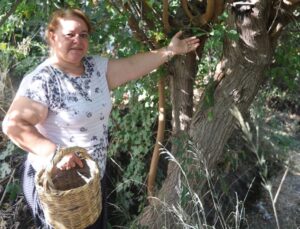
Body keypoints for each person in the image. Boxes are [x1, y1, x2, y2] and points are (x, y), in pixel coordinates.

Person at [2, 8, 199, 229]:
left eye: (83, 34)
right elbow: (13, 125)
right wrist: (55, 154)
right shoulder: (44, 81)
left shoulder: (95, 68)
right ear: (52, 36)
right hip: (59, 188)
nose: (78, 40)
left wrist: (169, 51)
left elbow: (133, 66)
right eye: (70, 34)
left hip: (92, 180)